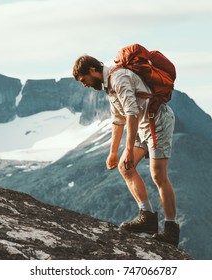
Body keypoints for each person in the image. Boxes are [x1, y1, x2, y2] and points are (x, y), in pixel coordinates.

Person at [72, 55, 180, 246]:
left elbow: (131, 113)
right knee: (125, 167)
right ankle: (147, 217)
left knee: (158, 175)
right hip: (143, 126)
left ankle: (171, 229)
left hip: (158, 123)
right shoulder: (109, 85)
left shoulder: (119, 77)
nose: (85, 85)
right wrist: (113, 152)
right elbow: (118, 120)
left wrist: (128, 149)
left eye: (84, 80)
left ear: (92, 70)